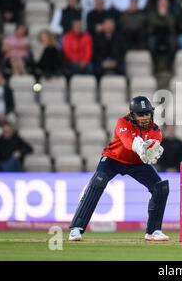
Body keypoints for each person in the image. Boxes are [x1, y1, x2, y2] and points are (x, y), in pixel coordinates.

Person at [69, 96, 168, 242]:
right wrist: (140, 147)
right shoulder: (123, 122)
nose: (145, 117)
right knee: (97, 183)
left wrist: (150, 150)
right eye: (141, 115)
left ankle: (153, 231)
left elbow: (153, 147)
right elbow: (127, 142)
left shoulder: (155, 130)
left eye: (147, 113)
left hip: (138, 163)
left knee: (160, 188)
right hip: (113, 159)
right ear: (132, 114)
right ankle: (76, 229)